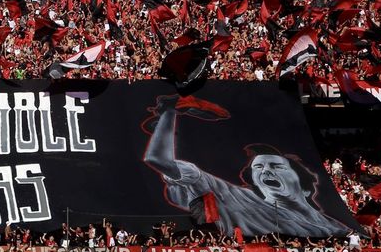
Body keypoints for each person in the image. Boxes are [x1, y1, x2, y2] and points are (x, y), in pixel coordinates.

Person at [144, 95, 350, 238]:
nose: (265, 171)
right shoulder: (234, 197)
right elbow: (158, 160)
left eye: (277, 167)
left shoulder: (334, 227)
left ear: (305, 185)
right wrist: (169, 112)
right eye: (258, 168)